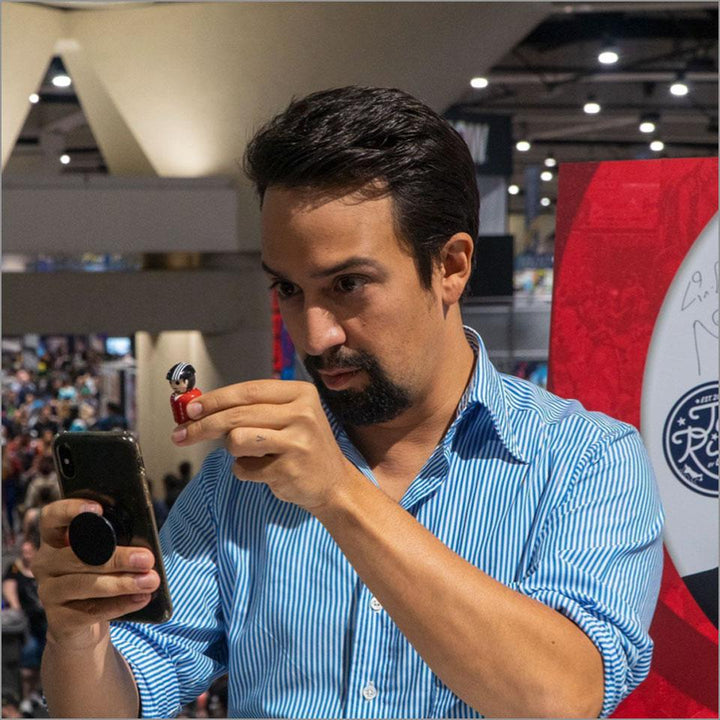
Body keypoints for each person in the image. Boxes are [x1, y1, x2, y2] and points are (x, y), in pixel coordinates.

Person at [34, 86, 664, 719]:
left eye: (348, 284)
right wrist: (77, 636)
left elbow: (562, 698)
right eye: (288, 289)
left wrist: (339, 493)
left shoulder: (585, 462)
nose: (315, 336)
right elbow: (122, 699)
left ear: (451, 266)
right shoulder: (238, 478)